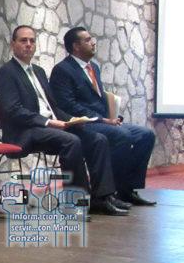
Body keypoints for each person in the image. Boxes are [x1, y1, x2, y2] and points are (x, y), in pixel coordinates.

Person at [0, 26, 128, 216]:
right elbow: (13, 111)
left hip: (53, 127)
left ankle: (101, 198)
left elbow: (54, 108)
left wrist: (73, 120)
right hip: (25, 131)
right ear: (12, 44)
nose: (29, 44)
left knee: (97, 139)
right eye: (23, 40)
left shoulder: (39, 71)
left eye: (32, 41)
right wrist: (48, 122)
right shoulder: (6, 73)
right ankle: (76, 203)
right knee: (71, 141)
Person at [50, 27, 156, 206]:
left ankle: (127, 189)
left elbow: (97, 101)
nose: (93, 42)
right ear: (75, 46)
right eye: (87, 40)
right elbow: (68, 105)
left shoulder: (94, 68)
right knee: (122, 135)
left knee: (146, 135)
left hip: (103, 120)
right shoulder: (62, 70)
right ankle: (111, 193)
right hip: (83, 123)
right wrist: (102, 120)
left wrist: (113, 115)